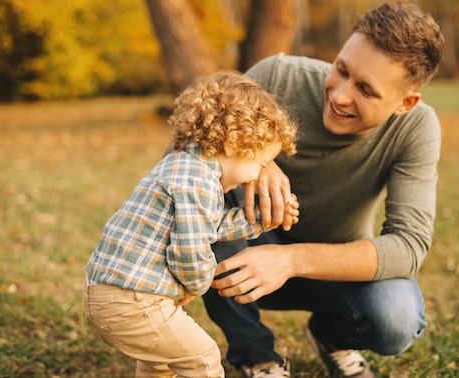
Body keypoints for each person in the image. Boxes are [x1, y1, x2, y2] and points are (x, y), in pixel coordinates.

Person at [202, 1, 446, 378]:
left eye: (366, 89)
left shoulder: (417, 129)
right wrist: (255, 163)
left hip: (331, 267)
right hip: (243, 253)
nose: (340, 95)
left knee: (396, 317)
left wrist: (289, 261)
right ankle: (257, 356)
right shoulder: (277, 77)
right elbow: (184, 159)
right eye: (342, 69)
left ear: (405, 103)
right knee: (202, 218)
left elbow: (408, 246)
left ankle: (332, 337)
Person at [82, 71, 298, 378]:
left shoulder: (186, 165)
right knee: (203, 358)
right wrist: (197, 285)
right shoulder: (198, 182)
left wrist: (260, 220)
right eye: (261, 164)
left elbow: (212, 227)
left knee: (161, 362)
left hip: (109, 293)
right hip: (131, 301)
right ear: (235, 143)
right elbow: (190, 257)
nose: (256, 176)